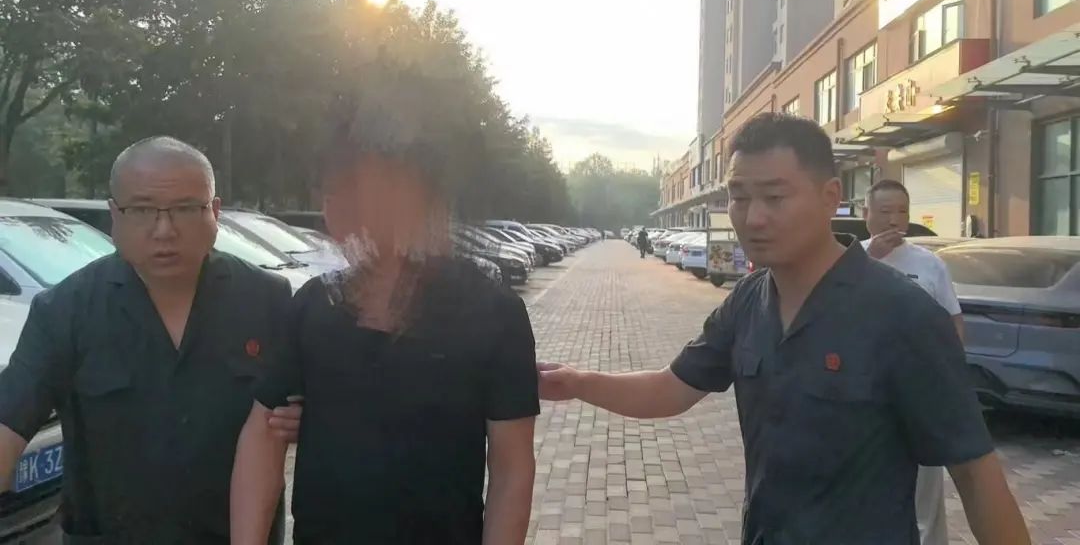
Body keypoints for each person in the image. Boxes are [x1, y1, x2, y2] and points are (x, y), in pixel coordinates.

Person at [538, 113, 1029, 545]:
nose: (753, 217)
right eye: (739, 197)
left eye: (774, 197)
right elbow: (671, 388)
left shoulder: (902, 314)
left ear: (829, 197)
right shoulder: (748, 302)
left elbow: (976, 475)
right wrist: (578, 383)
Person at [231, 140, 540, 544]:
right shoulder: (313, 305)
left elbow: (512, 469)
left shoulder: (493, 313)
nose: (340, 214)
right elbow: (262, 434)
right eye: (332, 196)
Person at [0, 136, 301, 543]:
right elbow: (9, 423)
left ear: (214, 212)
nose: (164, 230)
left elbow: (314, 407)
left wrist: (308, 418)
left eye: (185, 209)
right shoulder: (66, 310)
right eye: (141, 210)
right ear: (114, 215)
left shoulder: (267, 300)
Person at [863, 178, 965, 545]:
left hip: (920, 392)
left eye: (902, 212)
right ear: (866, 214)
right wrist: (870, 258)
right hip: (863, 393)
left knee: (925, 492)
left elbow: (953, 323)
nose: (894, 220)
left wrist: (950, 377)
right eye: (885, 211)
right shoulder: (847, 260)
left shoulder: (929, 264)